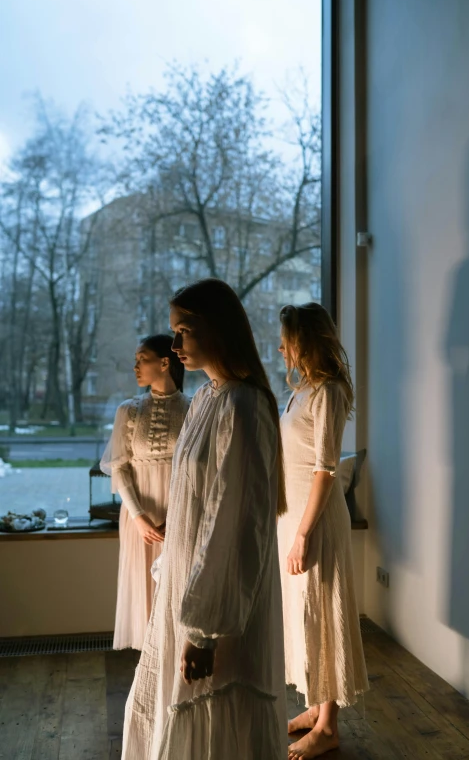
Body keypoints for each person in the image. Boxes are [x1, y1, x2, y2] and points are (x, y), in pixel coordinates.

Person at [121, 279, 288, 760]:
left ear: (216, 329)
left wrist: (205, 629)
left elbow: (236, 525)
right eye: (174, 332)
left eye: (184, 331)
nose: (174, 346)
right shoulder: (207, 399)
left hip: (220, 608)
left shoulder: (243, 404)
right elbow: (195, 504)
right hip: (190, 589)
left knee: (216, 721)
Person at [277, 303, 369, 760]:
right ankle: (314, 708)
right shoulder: (300, 391)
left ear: (305, 340)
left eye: (286, 338)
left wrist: (303, 534)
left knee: (324, 614)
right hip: (293, 520)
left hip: (315, 524)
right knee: (304, 615)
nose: (280, 346)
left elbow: (326, 469)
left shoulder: (328, 391)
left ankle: (329, 725)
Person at [101, 334, 190, 651]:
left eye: (142, 359)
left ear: (165, 362)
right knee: (145, 593)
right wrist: (138, 517)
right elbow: (119, 466)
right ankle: (150, 669)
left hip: (181, 516)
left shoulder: (194, 409)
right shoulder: (129, 410)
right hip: (139, 517)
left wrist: (180, 516)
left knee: (178, 588)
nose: (135, 366)